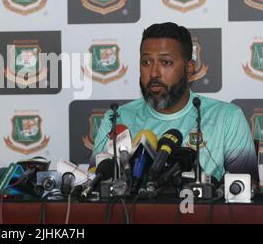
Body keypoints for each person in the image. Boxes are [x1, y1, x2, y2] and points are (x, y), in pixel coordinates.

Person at [90, 22, 258, 184]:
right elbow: (95, 187)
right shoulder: (117, 119)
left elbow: (246, 191)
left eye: (166, 63)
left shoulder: (227, 118)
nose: (154, 73)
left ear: (189, 69)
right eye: (146, 62)